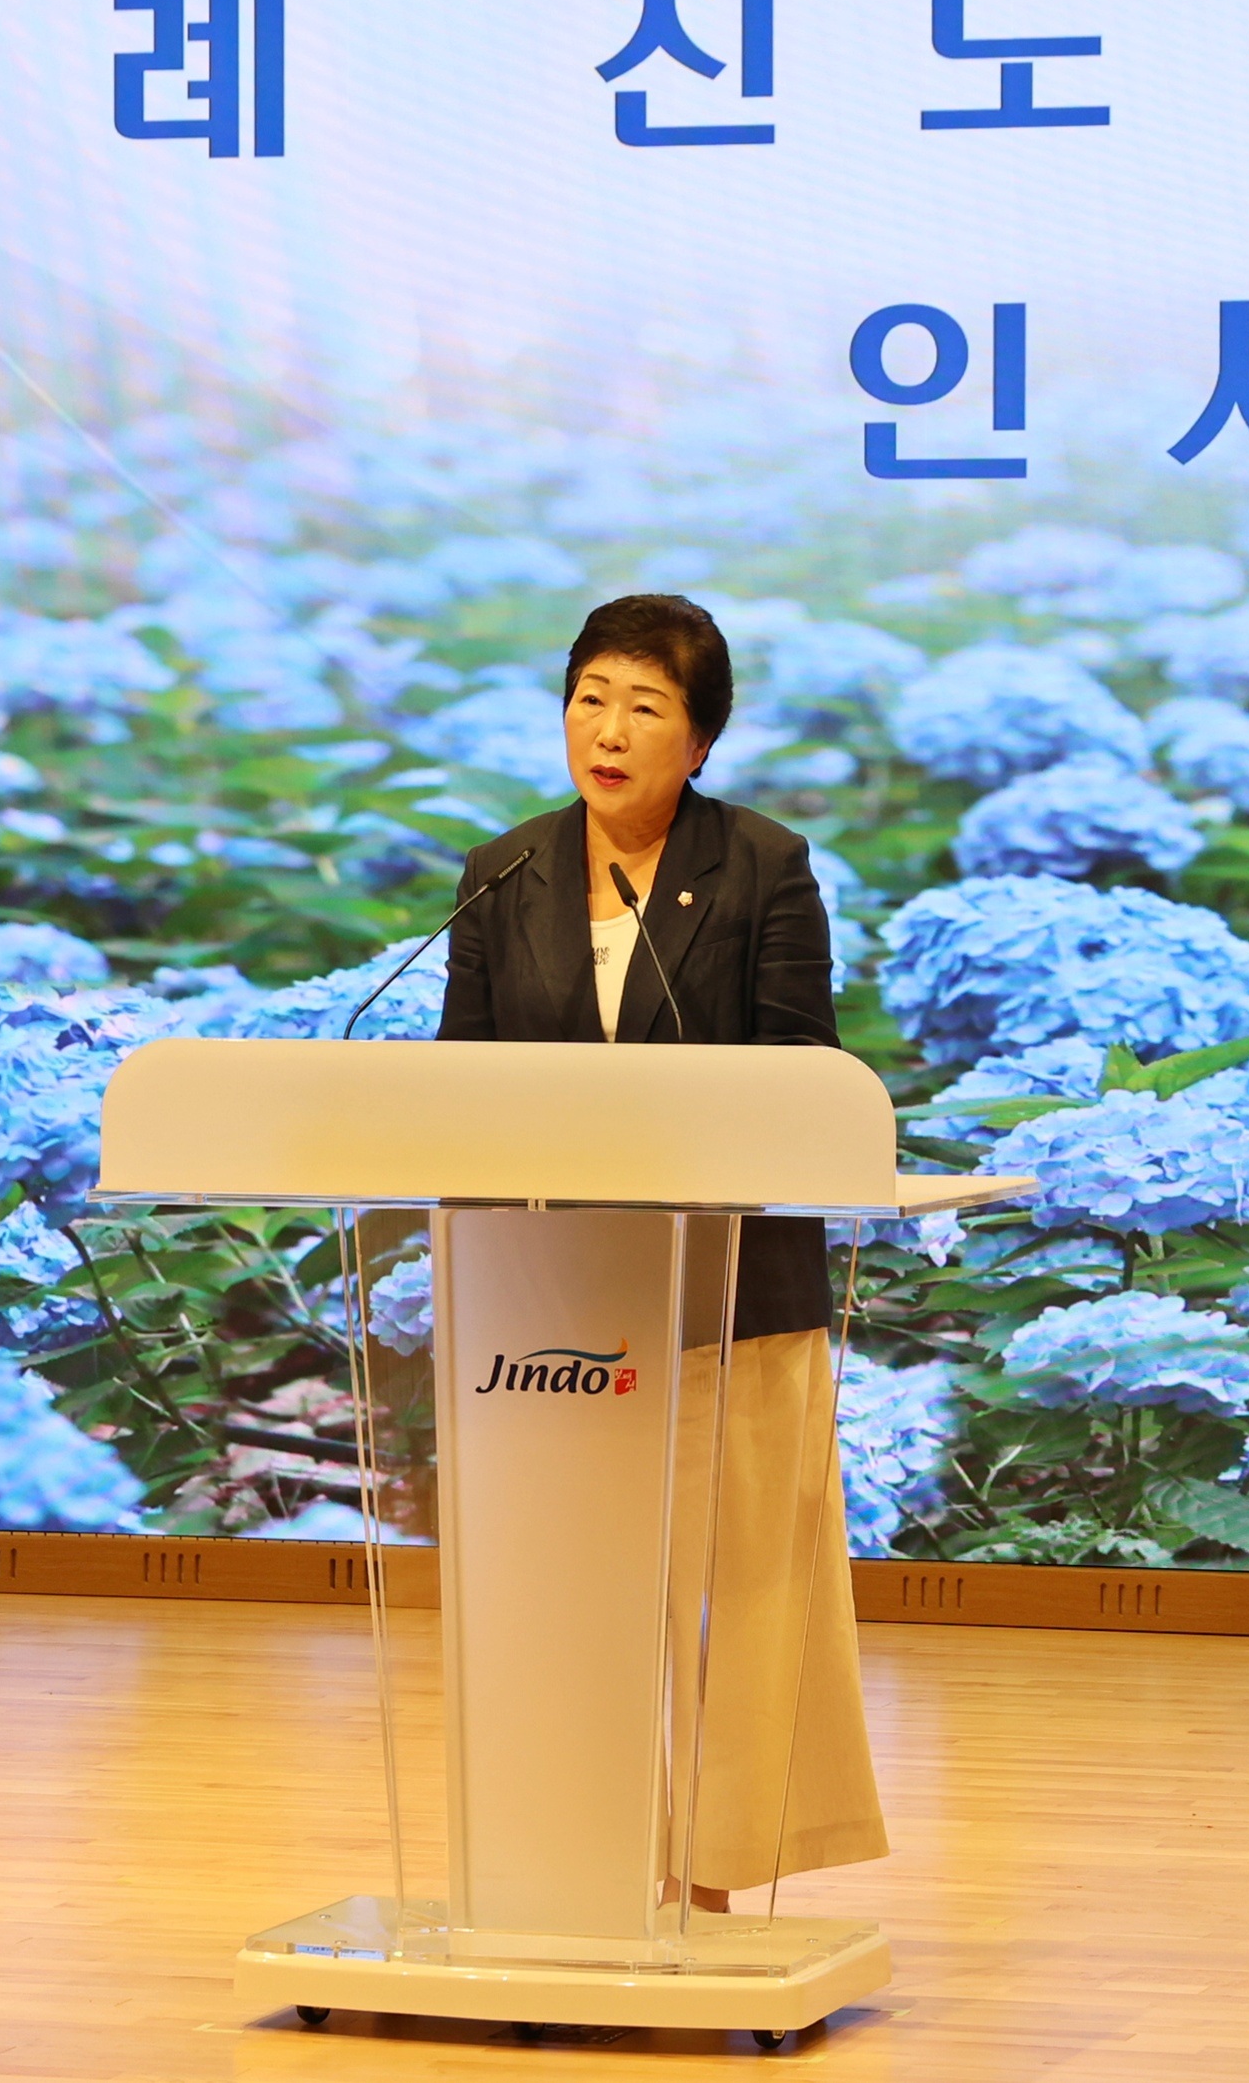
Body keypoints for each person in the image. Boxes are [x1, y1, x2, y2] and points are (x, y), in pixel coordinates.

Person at [435, 591, 887, 1906]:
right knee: (572, 1597)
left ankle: (715, 1876)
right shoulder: (503, 872)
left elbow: (802, 1069)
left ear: (700, 741)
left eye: (644, 706)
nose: (608, 729)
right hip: (548, 1298)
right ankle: (570, 1856)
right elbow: (461, 1085)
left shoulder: (763, 865)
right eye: (589, 697)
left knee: (736, 1593)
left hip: (730, 1293)